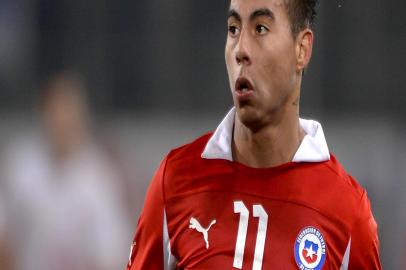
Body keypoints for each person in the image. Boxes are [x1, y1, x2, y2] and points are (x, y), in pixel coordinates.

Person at [126, 0, 382, 269]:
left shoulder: (347, 211)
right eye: (233, 29)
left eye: (260, 28)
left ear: (302, 49)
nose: (241, 50)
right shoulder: (175, 181)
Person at [1, 71, 132, 270]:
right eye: (56, 111)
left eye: (68, 111)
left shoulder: (100, 177)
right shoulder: (21, 167)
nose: (62, 121)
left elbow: (110, 253)